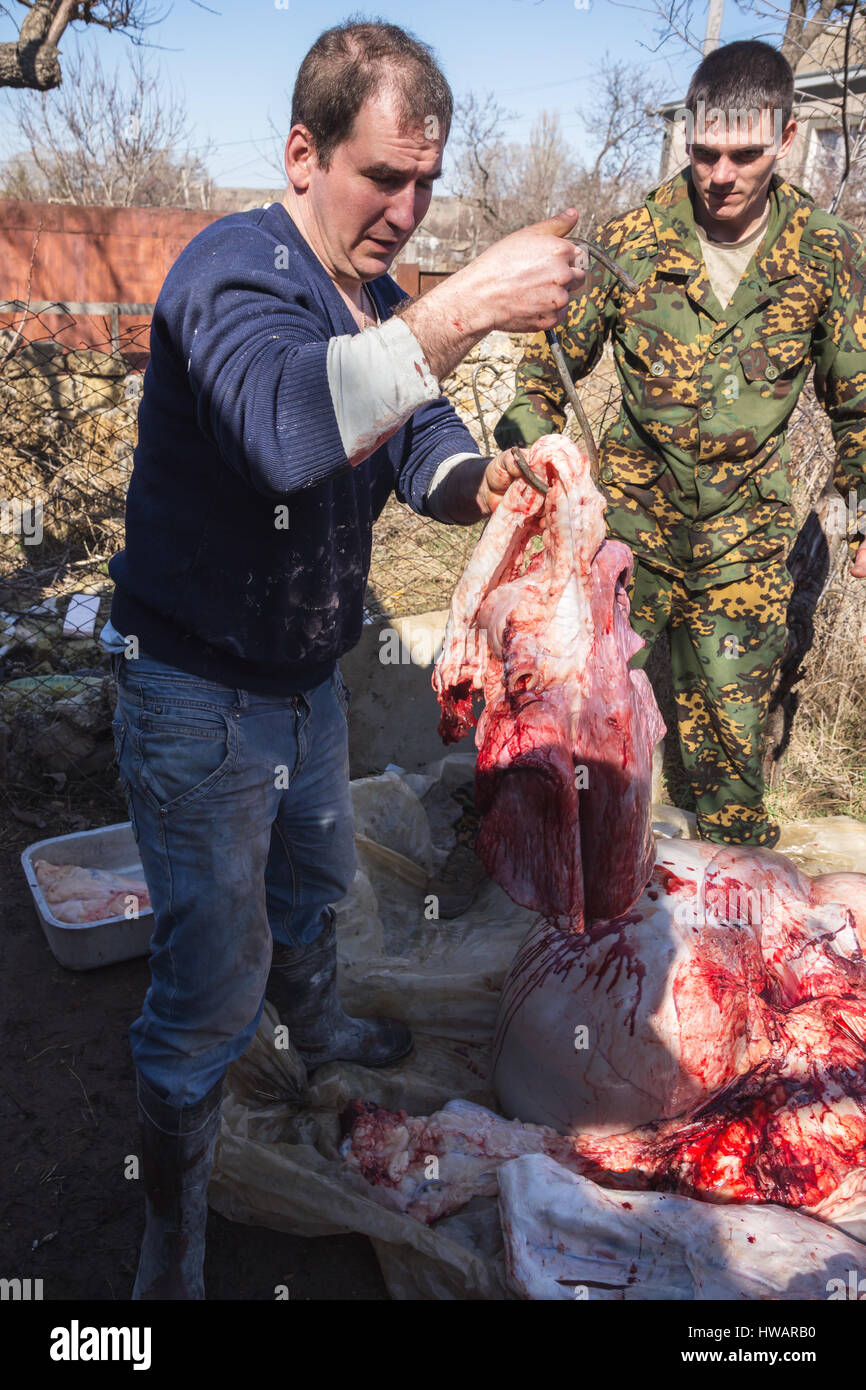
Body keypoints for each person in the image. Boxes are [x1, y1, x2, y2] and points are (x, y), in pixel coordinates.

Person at [101, 19, 586, 1300]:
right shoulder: (230, 276)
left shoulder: (369, 301)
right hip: (196, 697)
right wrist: (470, 302)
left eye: (426, 185)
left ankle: (317, 1031)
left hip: (303, 685)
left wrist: (497, 479)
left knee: (315, 889)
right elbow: (285, 433)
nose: (408, 210)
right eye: (384, 177)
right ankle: (173, 1219)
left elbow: (417, 444)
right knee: (208, 985)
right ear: (302, 152)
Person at [494, 38, 866, 852]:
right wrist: (533, 459)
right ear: (686, 136)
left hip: (747, 542)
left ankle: (722, 933)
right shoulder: (630, 242)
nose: (720, 175)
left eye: (744, 154)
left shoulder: (825, 253)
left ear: (788, 140)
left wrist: (863, 513)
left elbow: (858, 401)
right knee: (583, 734)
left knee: (727, 766)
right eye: (703, 152)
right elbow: (541, 376)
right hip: (629, 535)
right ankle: (570, 912)